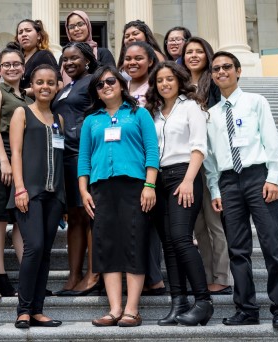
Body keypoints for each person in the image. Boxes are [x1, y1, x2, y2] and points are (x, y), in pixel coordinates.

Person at [204, 51, 278, 329]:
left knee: (272, 246)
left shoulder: (256, 102)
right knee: (237, 250)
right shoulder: (211, 115)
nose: (221, 72)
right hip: (228, 182)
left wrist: (274, 177)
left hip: (257, 177)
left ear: (238, 71)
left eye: (227, 67)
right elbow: (210, 159)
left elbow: (271, 139)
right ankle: (246, 309)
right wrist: (215, 190)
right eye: (216, 69)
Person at [78, 65, 159, 327]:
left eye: (110, 81)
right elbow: (84, 159)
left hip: (134, 187)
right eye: (99, 85)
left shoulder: (139, 113)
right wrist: (83, 189)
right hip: (101, 188)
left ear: (121, 84)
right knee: (107, 247)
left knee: (134, 244)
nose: (106, 87)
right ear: (96, 92)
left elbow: (151, 152)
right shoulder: (92, 120)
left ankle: (132, 310)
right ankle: (114, 309)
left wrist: (150, 185)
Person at [145, 61, 213, 326]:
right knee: (169, 245)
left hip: (183, 176)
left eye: (169, 79)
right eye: (160, 80)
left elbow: (199, 147)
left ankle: (203, 302)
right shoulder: (154, 112)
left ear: (179, 80)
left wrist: (188, 181)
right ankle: (179, 303)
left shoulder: (191, 107)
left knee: (182, 239)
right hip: (159, 178)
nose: (164, 84)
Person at [9, 64, 64, 329]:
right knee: (34, 248)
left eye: (51, 82)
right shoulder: (22, 112)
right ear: (32, 84)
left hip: (54, 195)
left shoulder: (58, 119)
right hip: (29, 192)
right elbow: (16, 153)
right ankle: (23, 310)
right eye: (40, 82)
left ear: (57, 86)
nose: (45, 87)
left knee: (45, 253)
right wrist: (20, 188)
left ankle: (38, 310)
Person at [181, 37, 233, 295]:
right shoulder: (179, 83)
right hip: (186, 159)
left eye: (198, 51)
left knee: (214, 223)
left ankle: (222, 275)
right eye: (188, 51)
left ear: (207, 55)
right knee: (199, 223)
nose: (193, 55)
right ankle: (208, 274)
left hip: (209, 157)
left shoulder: (212, 82)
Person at [50, 42, 99, 297]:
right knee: (75, 216)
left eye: (74, 58)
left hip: (84, 153)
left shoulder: (93, 81)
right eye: (65, 59)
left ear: (87, 60)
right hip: (65, 156)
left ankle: (93, 274)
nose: (68, 63)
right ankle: (73, 275)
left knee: (89, 215)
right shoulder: (66, 87)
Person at [0, 47, 33, 296]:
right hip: (0, 157)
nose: (11, 68)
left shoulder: (28, 98)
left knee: (20, 219)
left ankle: (29, 274)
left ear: (23, 67)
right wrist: (4, 161)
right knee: (0, 217)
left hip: (21, 159)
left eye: (16, 64)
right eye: (6, 65)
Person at [122, 41, 165, 296]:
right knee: (136, 224)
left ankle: (155, 278)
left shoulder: (156, 86)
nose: (132, 62)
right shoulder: (122, 86)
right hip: (131, 163)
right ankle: (141, 275)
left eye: (138, 58)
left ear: (151, 61)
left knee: (148, 224)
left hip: (152, 161)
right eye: (128, 58)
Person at [60, 10, 115, 83]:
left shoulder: (103, 53)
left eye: (80, 24)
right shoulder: (64, 57)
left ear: (88, 25)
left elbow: (111, 80)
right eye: (71, 27)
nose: (76, 29)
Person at [14, 19, 62, 97]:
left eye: (28, 30)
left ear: (39, 36)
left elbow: (59, 84)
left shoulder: (44, 55)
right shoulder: (17, 59)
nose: (24, 34)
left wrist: (23, 92)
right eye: (20, 32)